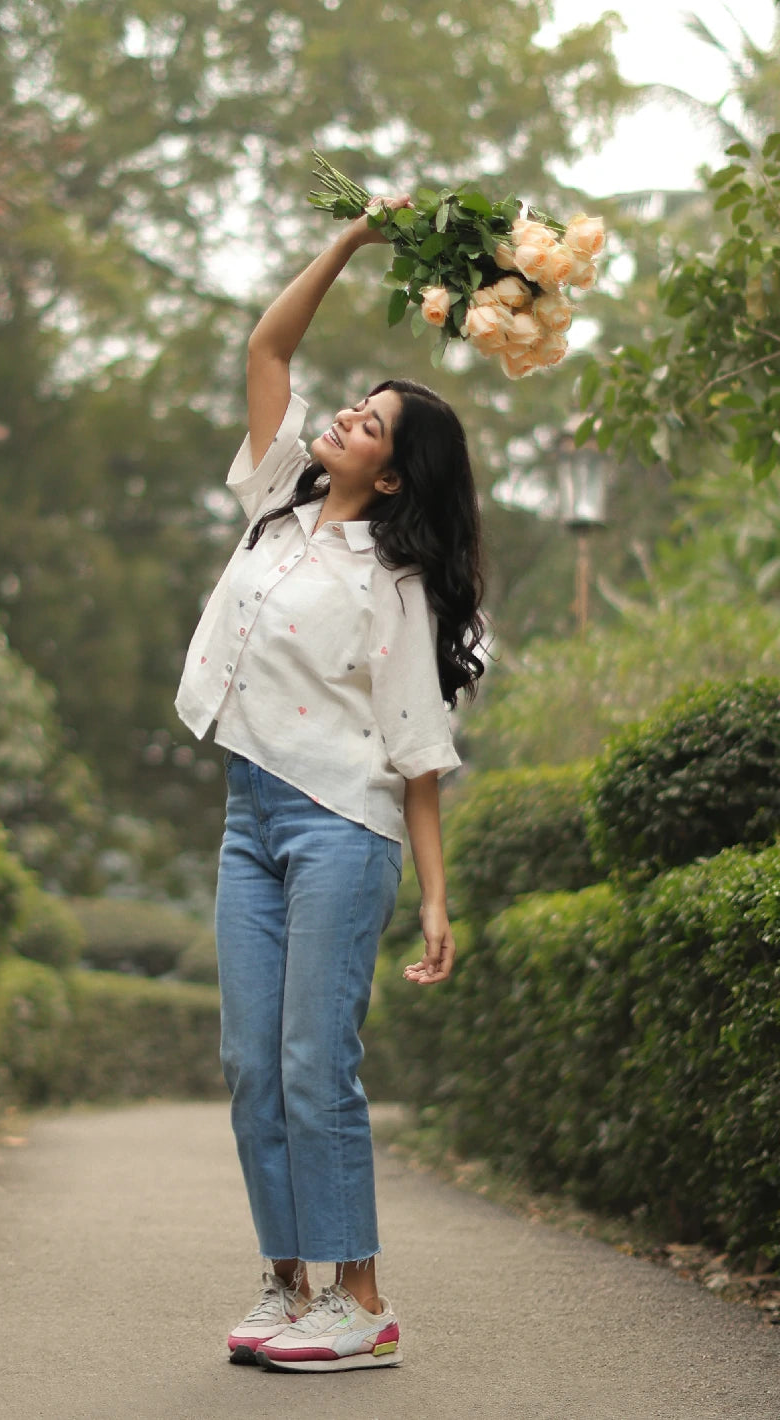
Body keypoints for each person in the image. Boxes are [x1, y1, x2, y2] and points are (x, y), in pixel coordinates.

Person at [174, 199, 486, 1374]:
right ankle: (286, 1285)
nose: (350, 412)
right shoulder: (276, 504)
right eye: (359, 400)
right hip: (249, 812)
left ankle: (361, 1300)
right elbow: (268, 350)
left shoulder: (395, 586)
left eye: (375, 423)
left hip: (341, 829)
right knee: (251, 1062)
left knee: (316, 1063)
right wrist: (353, 242)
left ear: (397, 476)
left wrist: (437, 898)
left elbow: (415, 750)